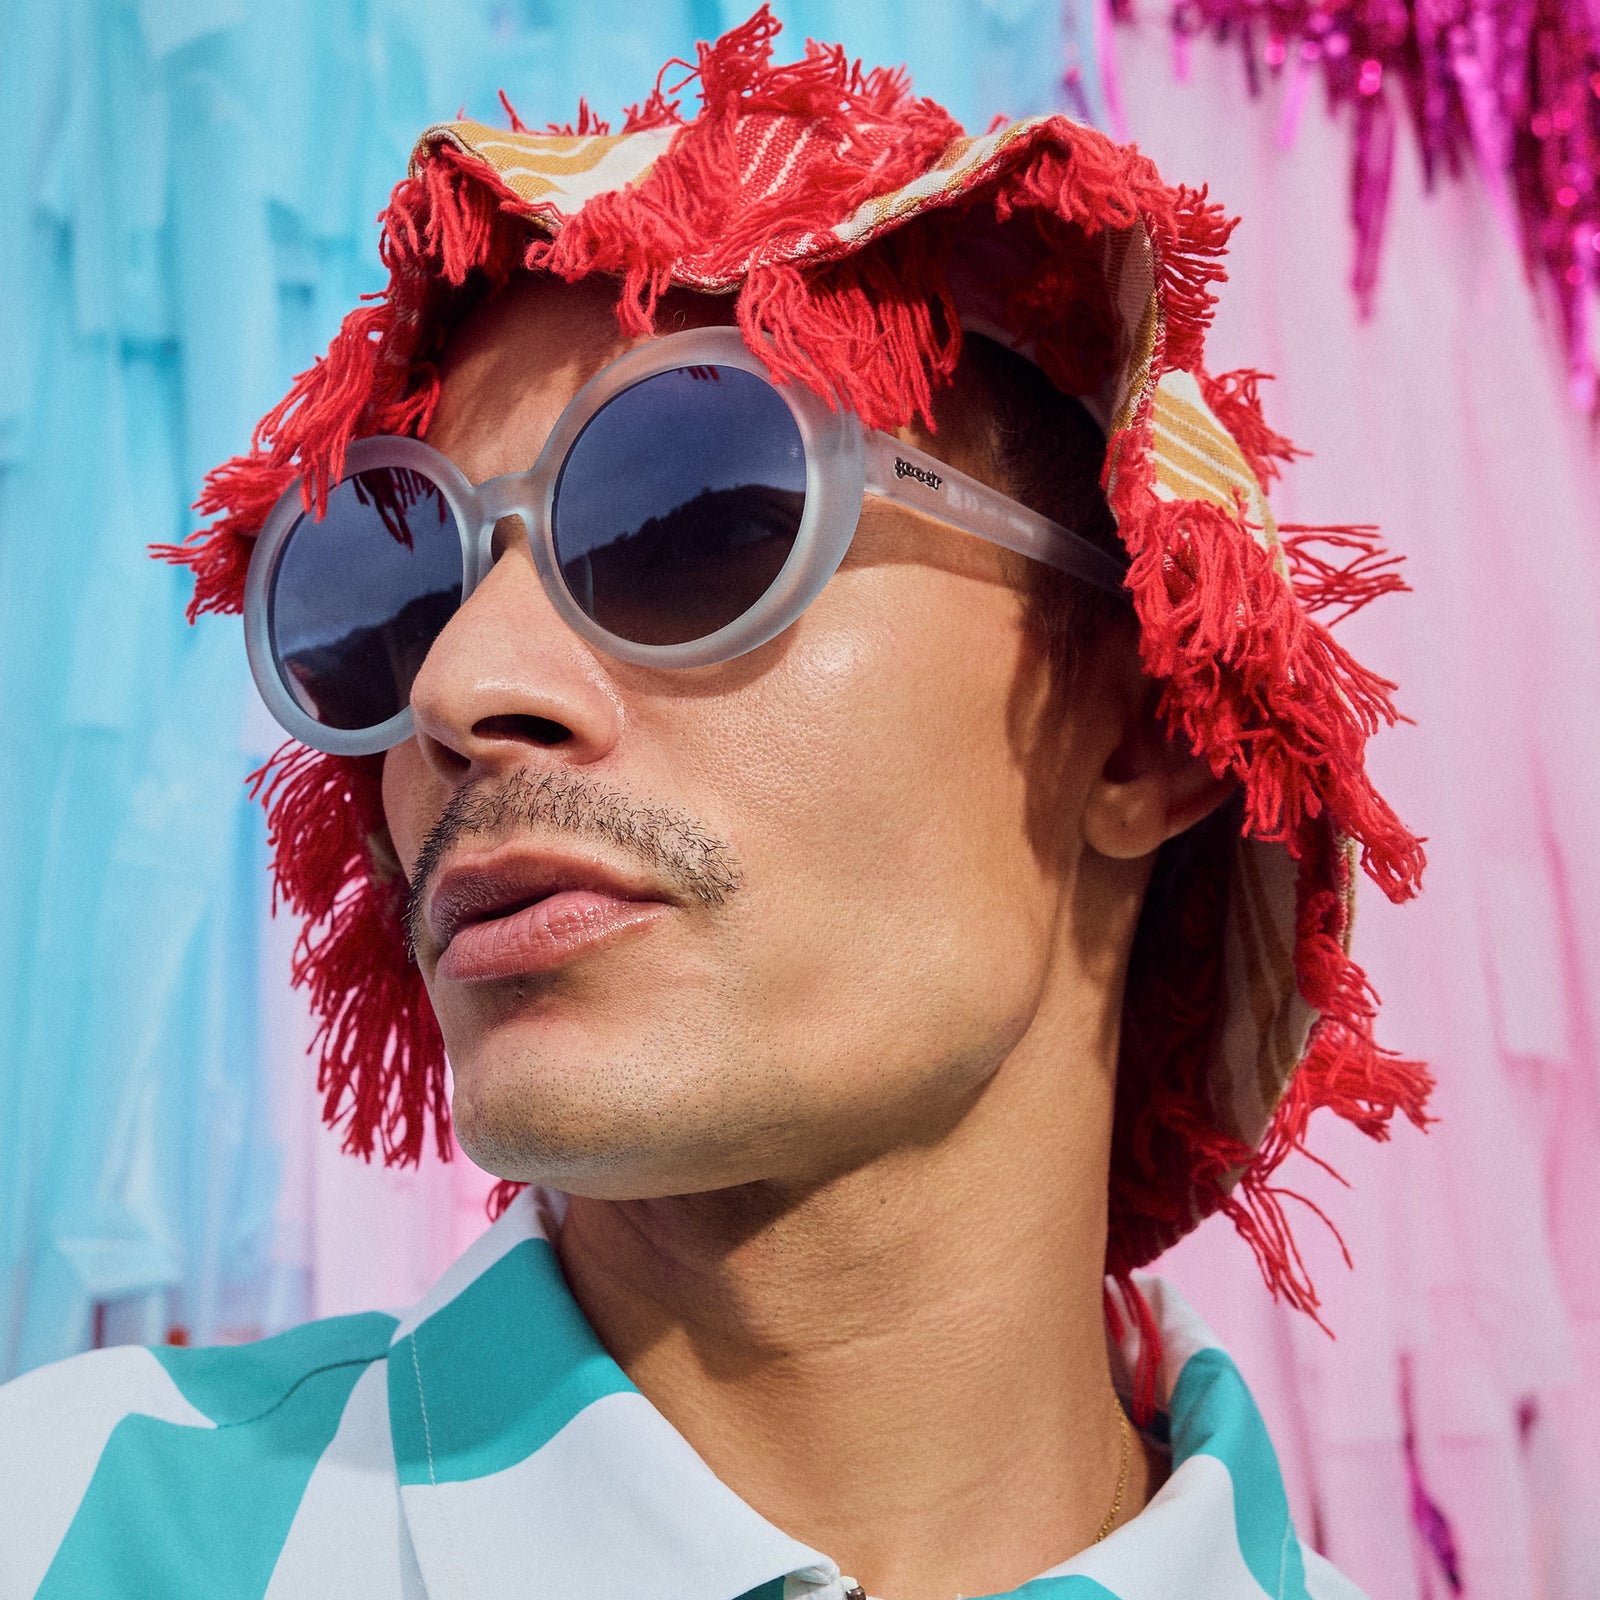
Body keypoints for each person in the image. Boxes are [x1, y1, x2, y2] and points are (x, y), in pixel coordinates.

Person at [0, 11, 1430, 1599]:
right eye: (387, 583)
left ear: (1139, 734)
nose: (463, 686)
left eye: (691, 512)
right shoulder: (64, 1522)